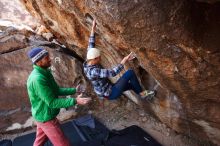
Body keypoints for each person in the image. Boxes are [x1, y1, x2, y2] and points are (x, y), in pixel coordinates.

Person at [27, 47, 91, 146]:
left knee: (40, 141)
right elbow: (52, 103)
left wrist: (74, 90)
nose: (50, 59)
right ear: (38, 62)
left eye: (48, 56)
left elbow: (56, 90)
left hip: (41, 114)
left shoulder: (45, 72)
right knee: (63, 144)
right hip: (46, 118)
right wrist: (75, 101)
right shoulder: (38, 79)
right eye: (46, 58)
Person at [83, 19, 156, 101]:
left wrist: (93, 27)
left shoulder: (88, 60)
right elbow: (112, 73)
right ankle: (144, 96)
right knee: (130, 73)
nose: (100, 58)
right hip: (110, 93)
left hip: (108, 88)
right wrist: (124, 60)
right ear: (95, 59)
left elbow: (91, 44)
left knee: (131, 85)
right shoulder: (94, 71)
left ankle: (144, 95)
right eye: (99, 57)